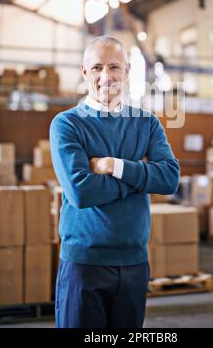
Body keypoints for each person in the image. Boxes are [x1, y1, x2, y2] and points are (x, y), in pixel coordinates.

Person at [50, 36, 180, 328]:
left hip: (134, 263)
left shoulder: (147, 123)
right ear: (84, 72)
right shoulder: (67, 124)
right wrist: (141, 178)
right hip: (85, 263)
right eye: (96, 68)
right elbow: (81, 192)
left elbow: (170, 178)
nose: (105, 77)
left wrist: (115, 166)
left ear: (127, 72)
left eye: (114, 67)